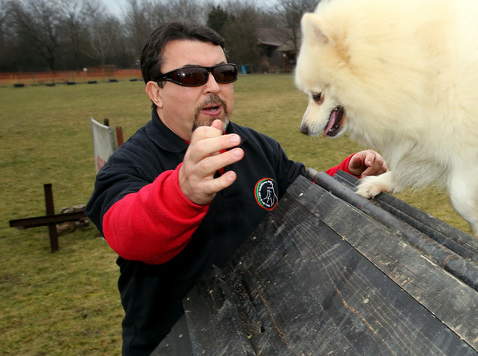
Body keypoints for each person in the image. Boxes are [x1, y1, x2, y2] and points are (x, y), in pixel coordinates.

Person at [85, 20, 388, 355]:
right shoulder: (130, 163)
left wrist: (348, 174)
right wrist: (183, 192)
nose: (214, 86)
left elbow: (300, 193)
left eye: (223, 74)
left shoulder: (257, 146)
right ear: (156, 92)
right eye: (192, 76)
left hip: (267, 337)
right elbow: (126, 234)